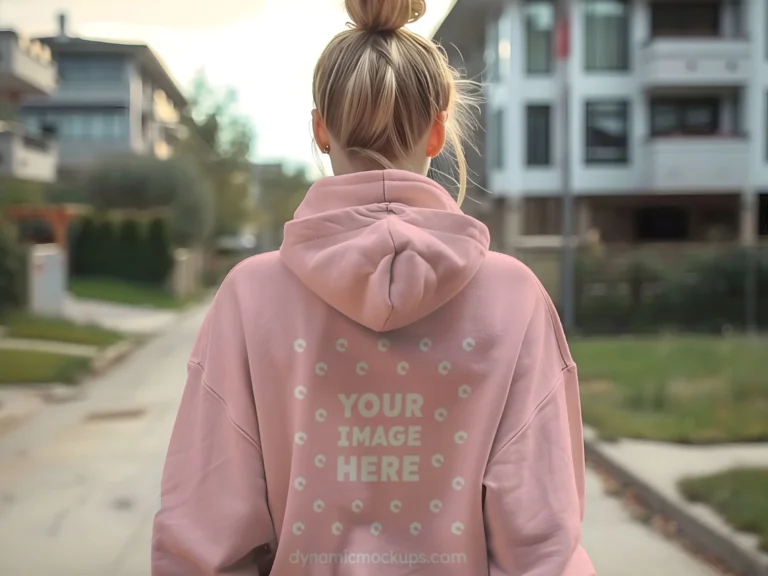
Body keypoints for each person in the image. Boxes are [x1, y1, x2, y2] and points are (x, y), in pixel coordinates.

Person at [151, 0, 596, 574]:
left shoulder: (249, 296)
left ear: (320, 129)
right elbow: (544, 546)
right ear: (438, 132)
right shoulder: (514, 297)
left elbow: (203, 536)